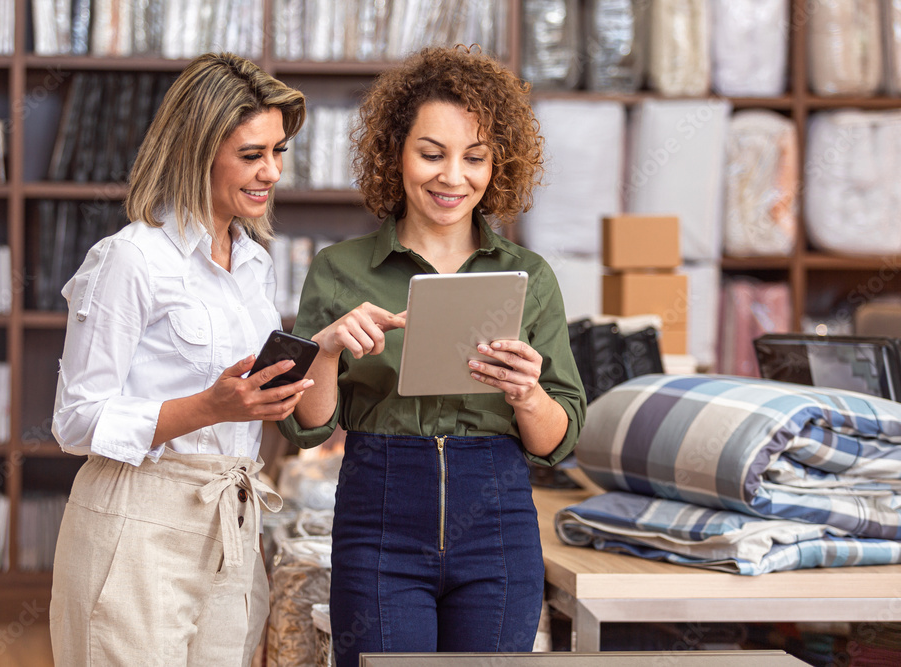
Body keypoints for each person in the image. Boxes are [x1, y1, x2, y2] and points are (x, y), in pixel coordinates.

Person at [278, 46, 586, 664]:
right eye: (431, 154)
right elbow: (307, 428)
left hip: (497, 528)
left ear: (498, 165)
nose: (452, 177)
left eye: (474, 158)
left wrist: (527, 393)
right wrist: (328, 353)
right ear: (396, 153)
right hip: (379, 524)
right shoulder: (339, 270)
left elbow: (560, 441)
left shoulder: (529, 276)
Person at [49, 53, 309, 666]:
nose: (271, 172)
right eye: (252, 155)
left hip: (232, 528)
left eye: (278, 153)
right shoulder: (130, 259)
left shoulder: (254, 263)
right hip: (138, 526)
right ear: (196, 152)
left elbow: (246, 403)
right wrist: (206, 407)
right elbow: (76, 421)